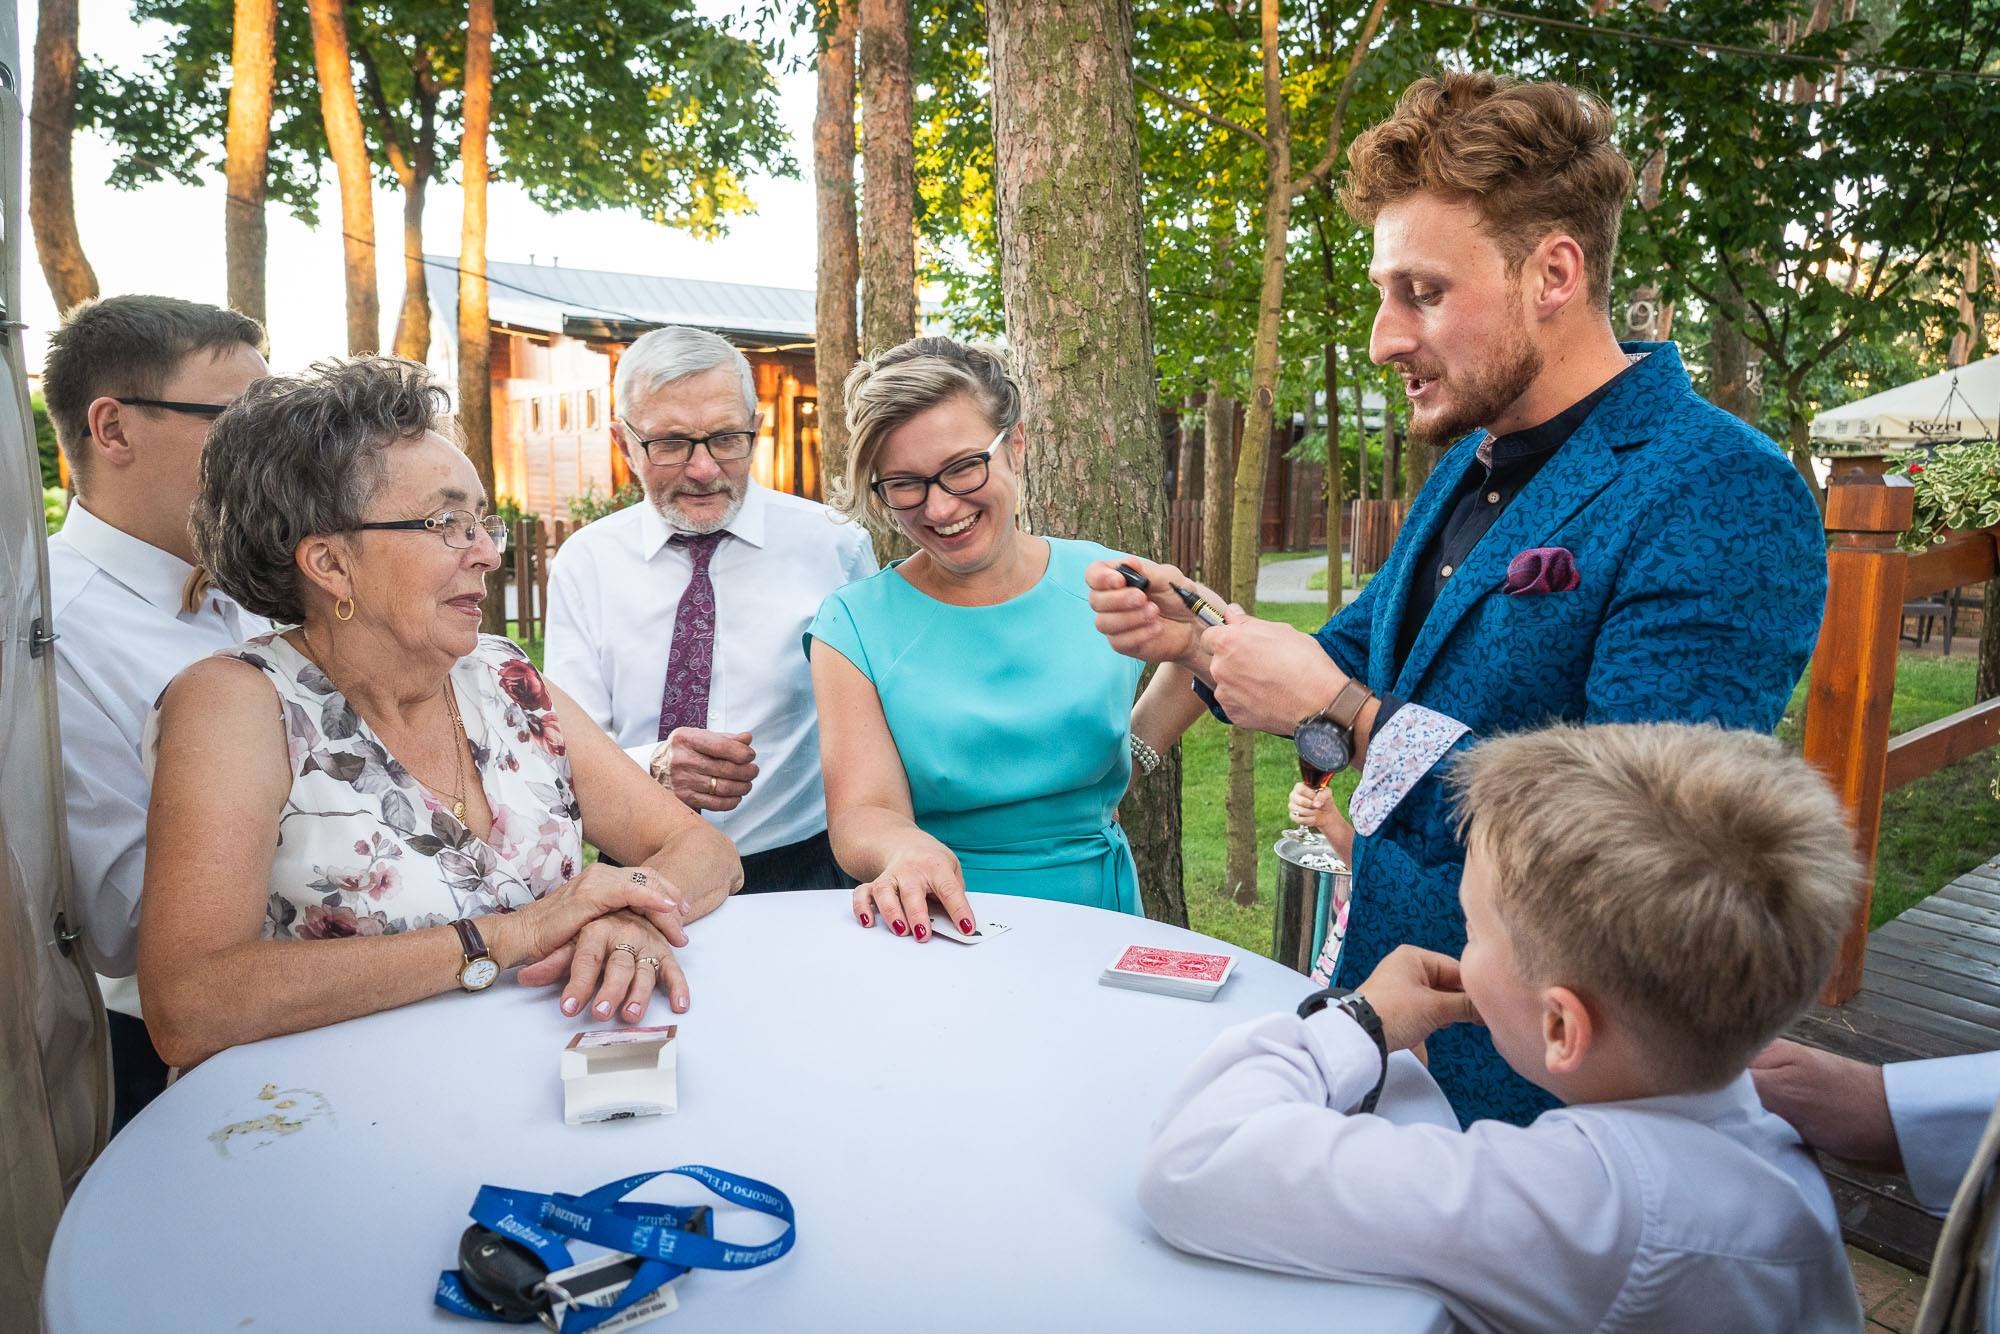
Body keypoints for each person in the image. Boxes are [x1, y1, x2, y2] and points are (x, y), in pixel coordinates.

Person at [1092, 72, 1827, 1125]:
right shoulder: (1469, 462)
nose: (1386, 338)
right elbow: (1365, 646)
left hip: (1552, 1094)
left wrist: (1344, 715)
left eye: (1422, 293)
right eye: (1385, 293)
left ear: (1553, 273)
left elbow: (1642, 857)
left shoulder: (1718, 487)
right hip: (1392, 1027)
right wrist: (1201, 636)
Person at [1138, 723, 1866, 1332]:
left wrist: (1360, 1021)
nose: (1463, 950)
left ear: (1560, 1026)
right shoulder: (1760, 1145)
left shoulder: (1583, 1208)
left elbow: (1197, 1162)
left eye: (1473, 930)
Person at [138, 357, 742, 1069]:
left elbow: (708, 854)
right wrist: (511, 936)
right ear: (330, 563)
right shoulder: (237, 706)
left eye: (483, 522)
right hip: (343, 1122)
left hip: (557, 1082)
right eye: (450, 523)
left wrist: (630, 909)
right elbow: (191, 1003)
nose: (487, 552)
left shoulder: (504, 676)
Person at [807, 337, 1182, 938]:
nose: (938, 506)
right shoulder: (851, 625)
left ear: (1017, 446)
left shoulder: (1108, 581)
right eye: (904, 484)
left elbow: (1210, 645)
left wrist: (1136, 747)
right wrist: (903, 851)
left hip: (1101, 916)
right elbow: (861, 812)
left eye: (961, 468)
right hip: (943, 924)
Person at [43, 294, 272, 1129]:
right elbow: (126, 921)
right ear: (113, 429)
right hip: (174, 1061)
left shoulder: (253, 590)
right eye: (237, 420)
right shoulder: (51, 637)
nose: (267, 448)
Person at [544, 326, 875, 892]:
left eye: (726, 437)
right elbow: (562, 744)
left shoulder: (835, 546)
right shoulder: (586, 564)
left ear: (757, 430)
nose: (702, 469)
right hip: (642, 869)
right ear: (623, 443)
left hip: (804, 870)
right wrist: (654, 765)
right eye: (670, 443)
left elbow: (873, 726)